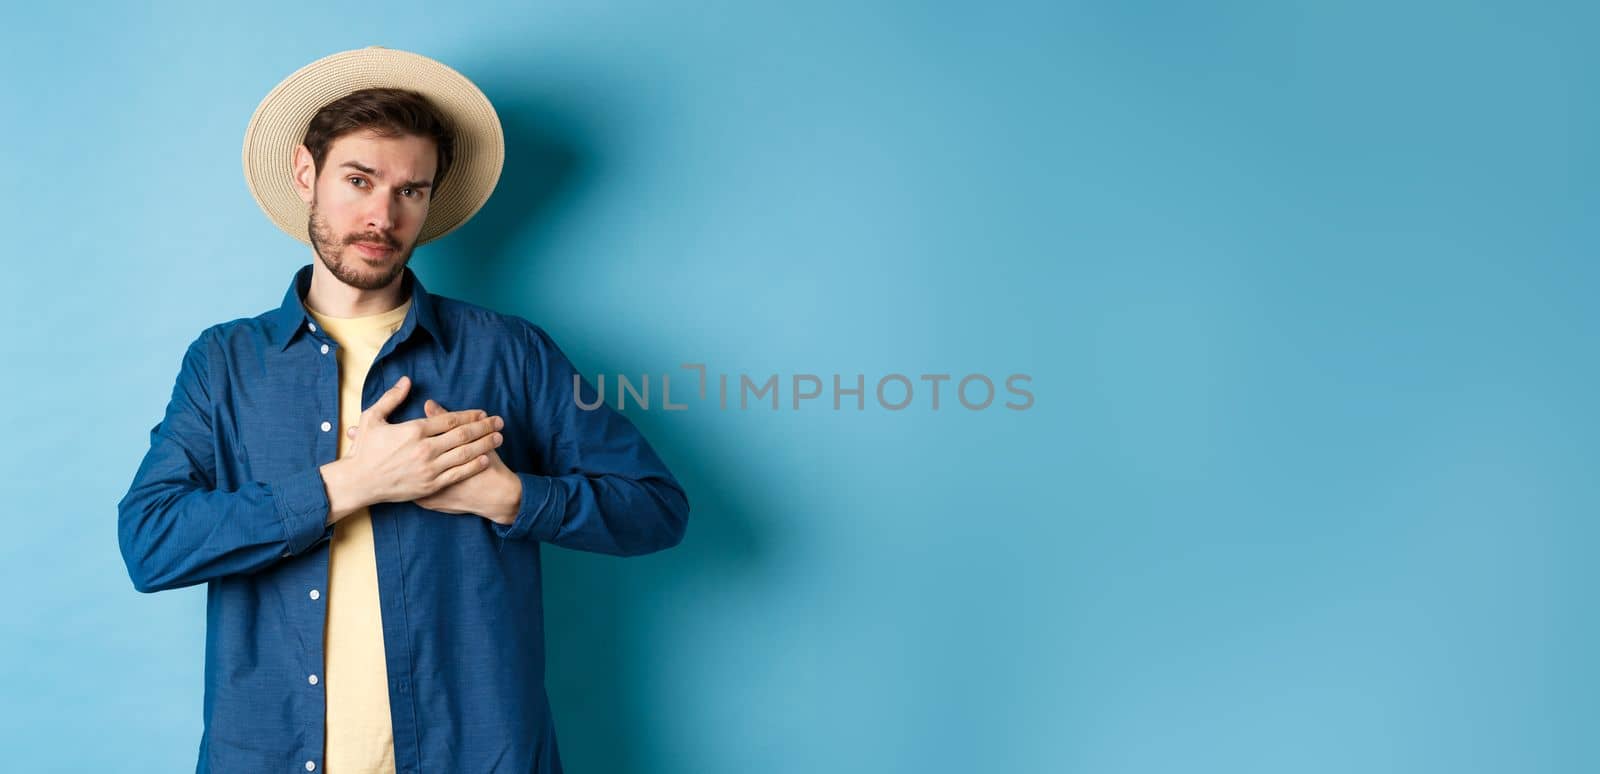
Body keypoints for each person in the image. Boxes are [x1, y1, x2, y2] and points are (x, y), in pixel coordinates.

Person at [116, 46, 689, 774]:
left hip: (477, 755)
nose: (382, 215)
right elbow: (150, 544)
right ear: (307, 176)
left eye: (410, 191)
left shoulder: (509, 353)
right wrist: (351, 483)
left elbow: (657, 508)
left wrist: (510, 497)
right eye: (359, 180)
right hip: (269, 756)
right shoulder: (227, 362)